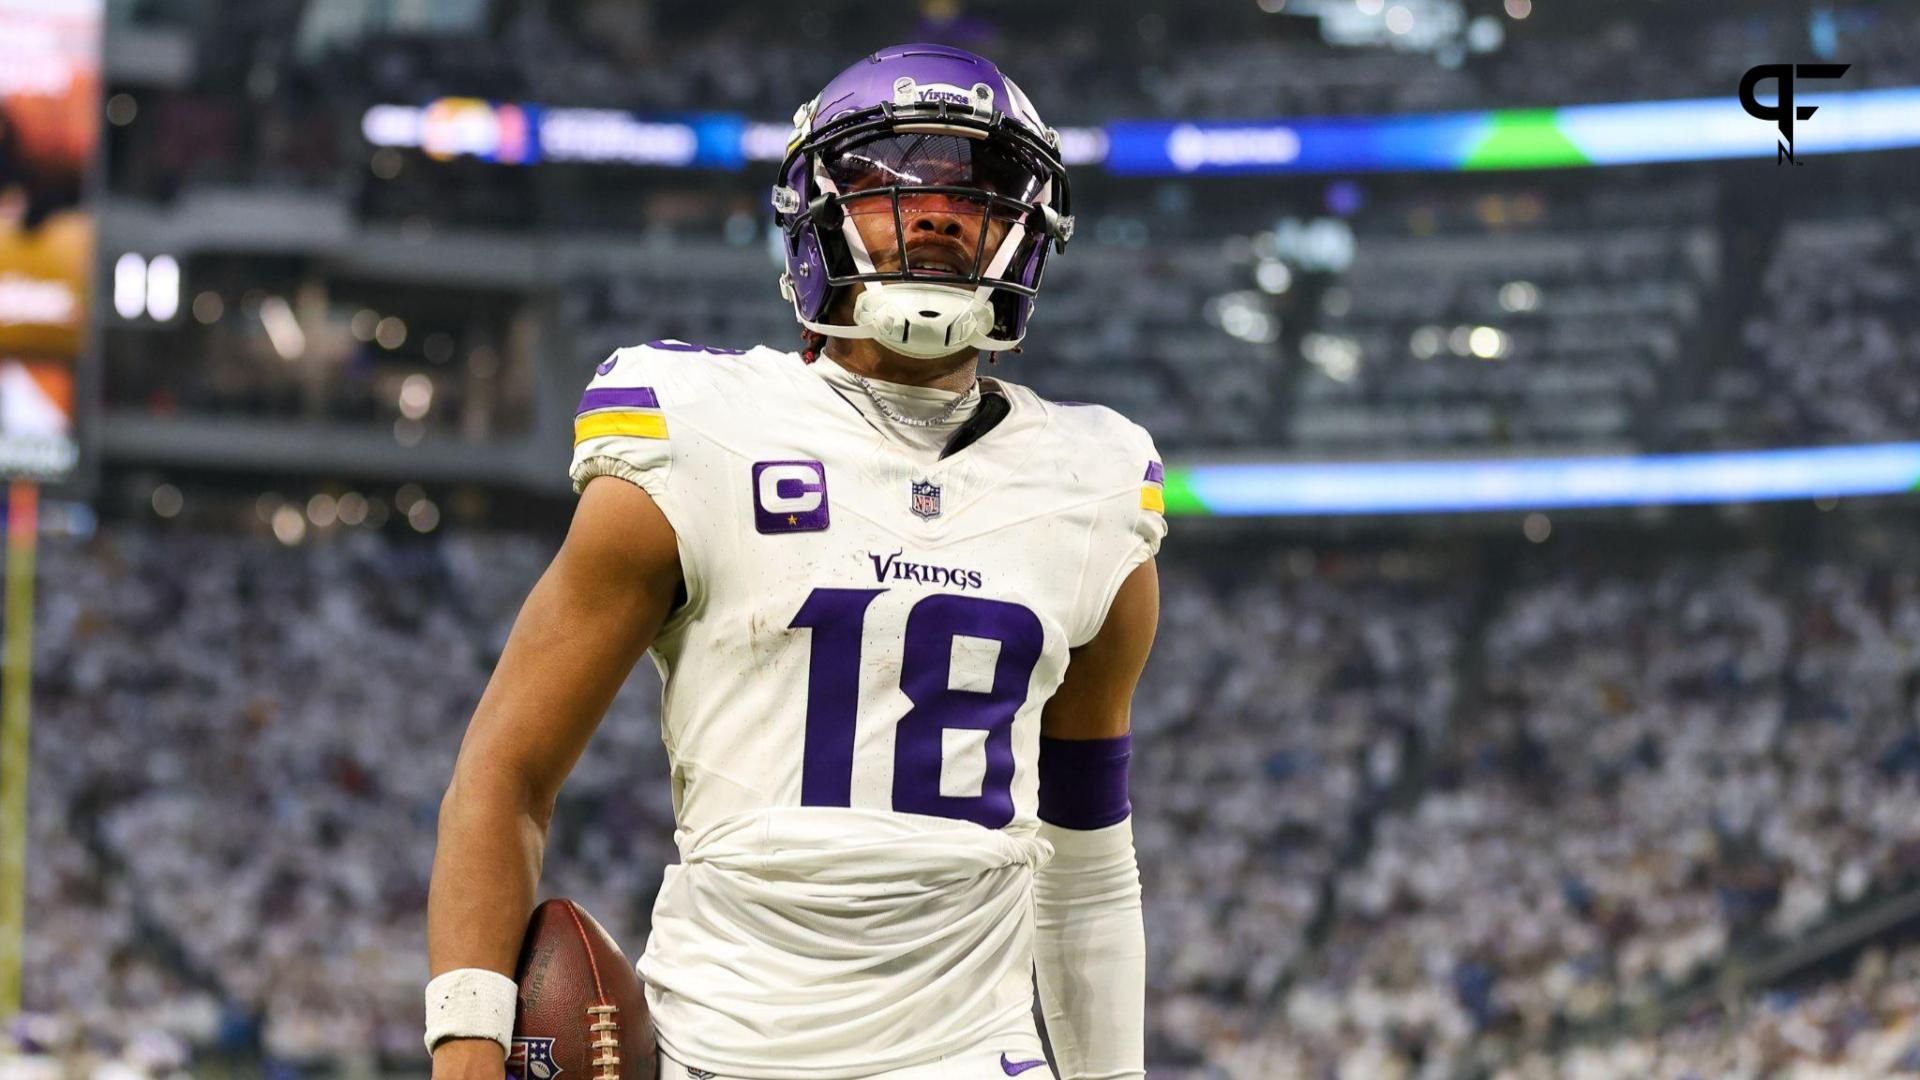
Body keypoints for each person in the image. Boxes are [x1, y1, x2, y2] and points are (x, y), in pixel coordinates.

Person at [426, 43, 1163, 1080]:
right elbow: (504, 777)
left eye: (979, 188)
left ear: (1026, 228)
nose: (941, 210)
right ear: (817, 209)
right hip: (723, 1047)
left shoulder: (1095, 479)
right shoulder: (697, 428)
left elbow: (1084, 862)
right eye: (891, 178)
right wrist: (465, 1047)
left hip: (971, 1054)